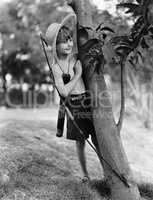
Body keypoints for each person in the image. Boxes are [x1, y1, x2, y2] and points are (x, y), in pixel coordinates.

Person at [45, 13, 100, 181]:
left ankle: (108, 172)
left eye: (69, 39)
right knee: (80, 141)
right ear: (56, 46)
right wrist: (77, 75)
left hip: (87, 100)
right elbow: (63, 92)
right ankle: (85, 174)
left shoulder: (76, 57)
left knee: (98, 138)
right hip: (73, 105)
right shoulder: (56, 67)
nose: (69, 44)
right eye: (63, 41)